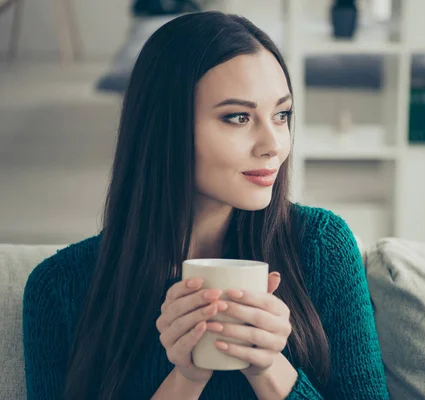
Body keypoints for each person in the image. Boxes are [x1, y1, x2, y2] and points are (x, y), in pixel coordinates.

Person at [22, 11, 389, 400]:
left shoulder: (322, 248)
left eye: (281, 115)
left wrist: (268, 367)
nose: (273, 144)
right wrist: (187, 377)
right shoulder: (60, 289)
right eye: (238, 117)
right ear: (165, 129)